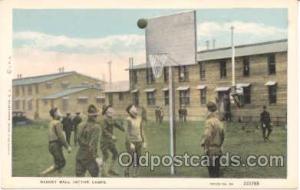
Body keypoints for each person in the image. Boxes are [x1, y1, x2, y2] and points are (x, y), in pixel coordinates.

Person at [40, 107, 71, 176]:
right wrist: (67, 146)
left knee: (58, 163)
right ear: (55, 114)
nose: (60, 113)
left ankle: (59, 177)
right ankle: (43, 174)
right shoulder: (57, 123)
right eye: (58, 112)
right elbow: (61, 136)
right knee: (62, 163)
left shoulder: (51, 122)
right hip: (56, 145)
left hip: (51, 145)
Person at [75, 105, 101, 177]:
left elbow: (78, 139)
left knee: (79, 179)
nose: (96, 118)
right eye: (95, 116)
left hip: (80, 155)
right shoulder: (96, 127)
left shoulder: (80, 125)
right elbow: (92, 144)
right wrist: (97, 157)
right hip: (90, 156)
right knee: (96, 178)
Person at [201, 101, 225, 178]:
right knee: (216, 171)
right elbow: (222, 135)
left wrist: (206, 147)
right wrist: (219, 145)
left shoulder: (209, 122)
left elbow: (207, 135)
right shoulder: (219, 122)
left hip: (210, 149)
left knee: (211, 173)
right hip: (218, 149)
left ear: (208, 111)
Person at [100, 105, 125, 176]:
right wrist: (112, 136)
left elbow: (117, 125)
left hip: (110, 141)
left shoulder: (111, 119)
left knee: (115, 154)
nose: (111, 111)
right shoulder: (104, 120)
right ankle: (103, 172)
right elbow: (104, 131)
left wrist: (123, 129)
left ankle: (110, 169)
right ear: (106, 112)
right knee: (106, 156)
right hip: (104, 141)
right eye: (109, 110)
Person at [124, 104, 146, 177]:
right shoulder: (128, 120)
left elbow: (141, 130)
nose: (135, 110)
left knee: (138, 158)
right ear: (130, 112)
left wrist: (144, 141)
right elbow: (127, 132)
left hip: (138, 141)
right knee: (131, 157)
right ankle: (126, 170)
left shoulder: (139, 119)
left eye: (135, 109)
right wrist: (130, 143)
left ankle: (135, 174)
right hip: (131, 142)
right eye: (133, 109)